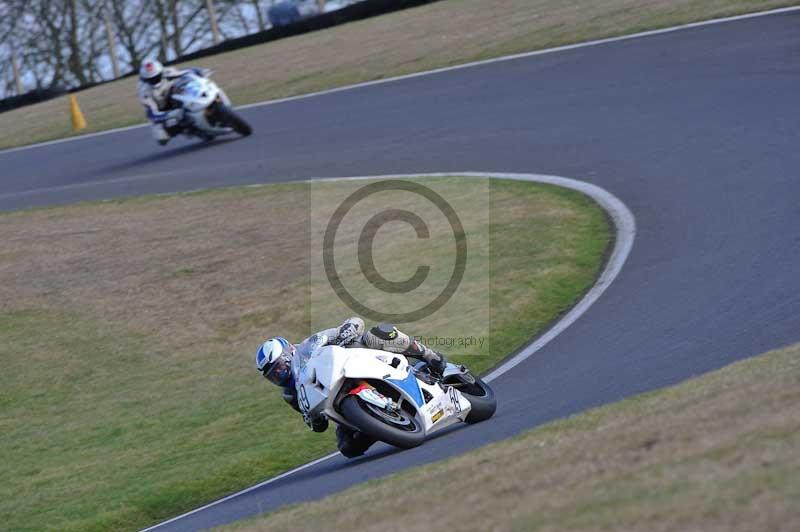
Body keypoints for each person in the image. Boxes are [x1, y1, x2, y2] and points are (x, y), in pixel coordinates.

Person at [255, 317, 447, 457]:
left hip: (359, 363)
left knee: (376, 333)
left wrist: (346, 332)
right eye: (273, 375)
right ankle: (384, 426)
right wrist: (314, 420)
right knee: (347, 448)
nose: (278, 375)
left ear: (289, 353)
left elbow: (355, 322)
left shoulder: (310, 344)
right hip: (341, 399)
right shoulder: (290, 395)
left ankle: (427, 355)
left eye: (279, 367)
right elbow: (316, 424)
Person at [137, 59, 210, 145]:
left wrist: (200, 71)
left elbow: (184, 72)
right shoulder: (144, 91)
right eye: (151, 79)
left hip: (175, 95)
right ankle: (188, 129)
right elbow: (153, 113)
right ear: (145, 79)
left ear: (161, 72)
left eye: (157, 77)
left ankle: (201, 103)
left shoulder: (166, 71)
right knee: (162, 138)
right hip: (162, 109)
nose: (155, 80)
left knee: (184, 85)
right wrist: (170, 114)